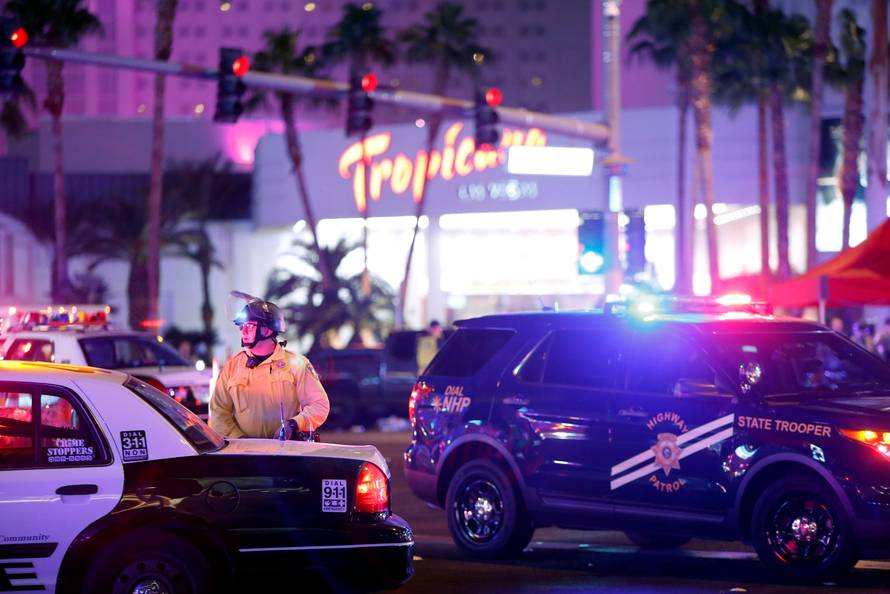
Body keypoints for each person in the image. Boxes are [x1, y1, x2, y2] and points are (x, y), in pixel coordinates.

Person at [210, 297, 329, 439]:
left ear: (267, 330)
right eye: (242, 326)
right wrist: (239, 439)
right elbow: (218, 411)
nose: (243, 331)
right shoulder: (231, 367)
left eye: (250, 326)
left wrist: (294, 424)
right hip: (243, 454)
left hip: (286, 452)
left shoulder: (297, 364)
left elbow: (319, 405)